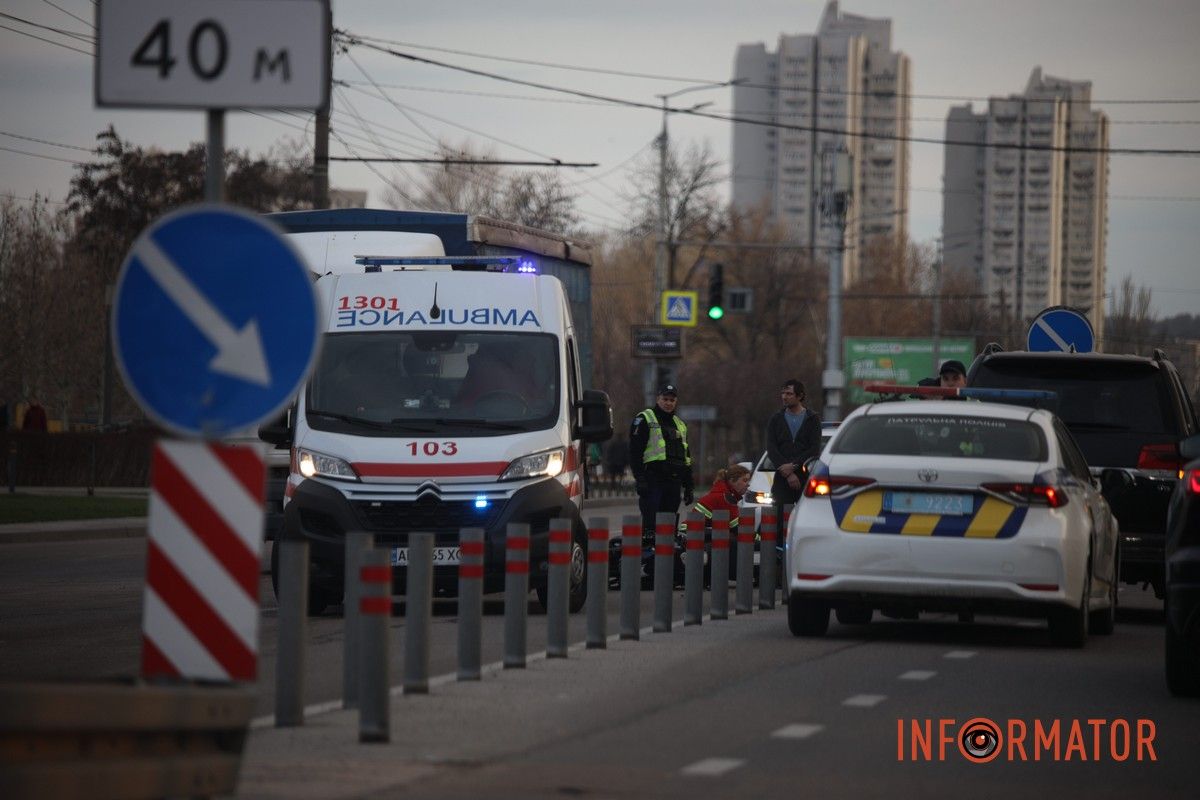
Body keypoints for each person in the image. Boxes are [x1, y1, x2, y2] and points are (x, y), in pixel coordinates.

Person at [629, 382, 694, 541]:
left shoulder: (680, 424)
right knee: (651, 527)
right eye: (665, 399)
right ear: (658, 399)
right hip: (653, 480)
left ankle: (667, 563)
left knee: (668, 528)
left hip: (673, 481)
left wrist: (689, 486)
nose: (668, 403)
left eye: (672, 400)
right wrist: (640, 478)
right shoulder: (644, 418)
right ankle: (648, 561)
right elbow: (635, 452)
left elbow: (686, 457)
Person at [765, 379, 822, 522]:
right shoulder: (776, 419)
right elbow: (771, 448)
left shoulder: (812, 419)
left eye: (789, 393)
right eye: (783, 393)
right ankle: (779, 545)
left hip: (805, 477)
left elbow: (814, 448)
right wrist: (787, 472)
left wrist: (794, 466)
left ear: (800, 396)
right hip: (782, 479)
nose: (784, 397)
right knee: (779, 520)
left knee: (806, 518)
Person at [692, 464, 752, 584]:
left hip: (700, 531)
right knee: (732, 540)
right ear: (732, 481)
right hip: (696, 533)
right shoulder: (726, 497)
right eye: (744, 480)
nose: (748, 484)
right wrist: (760, 539)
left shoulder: (725, 493)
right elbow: (737, 528)